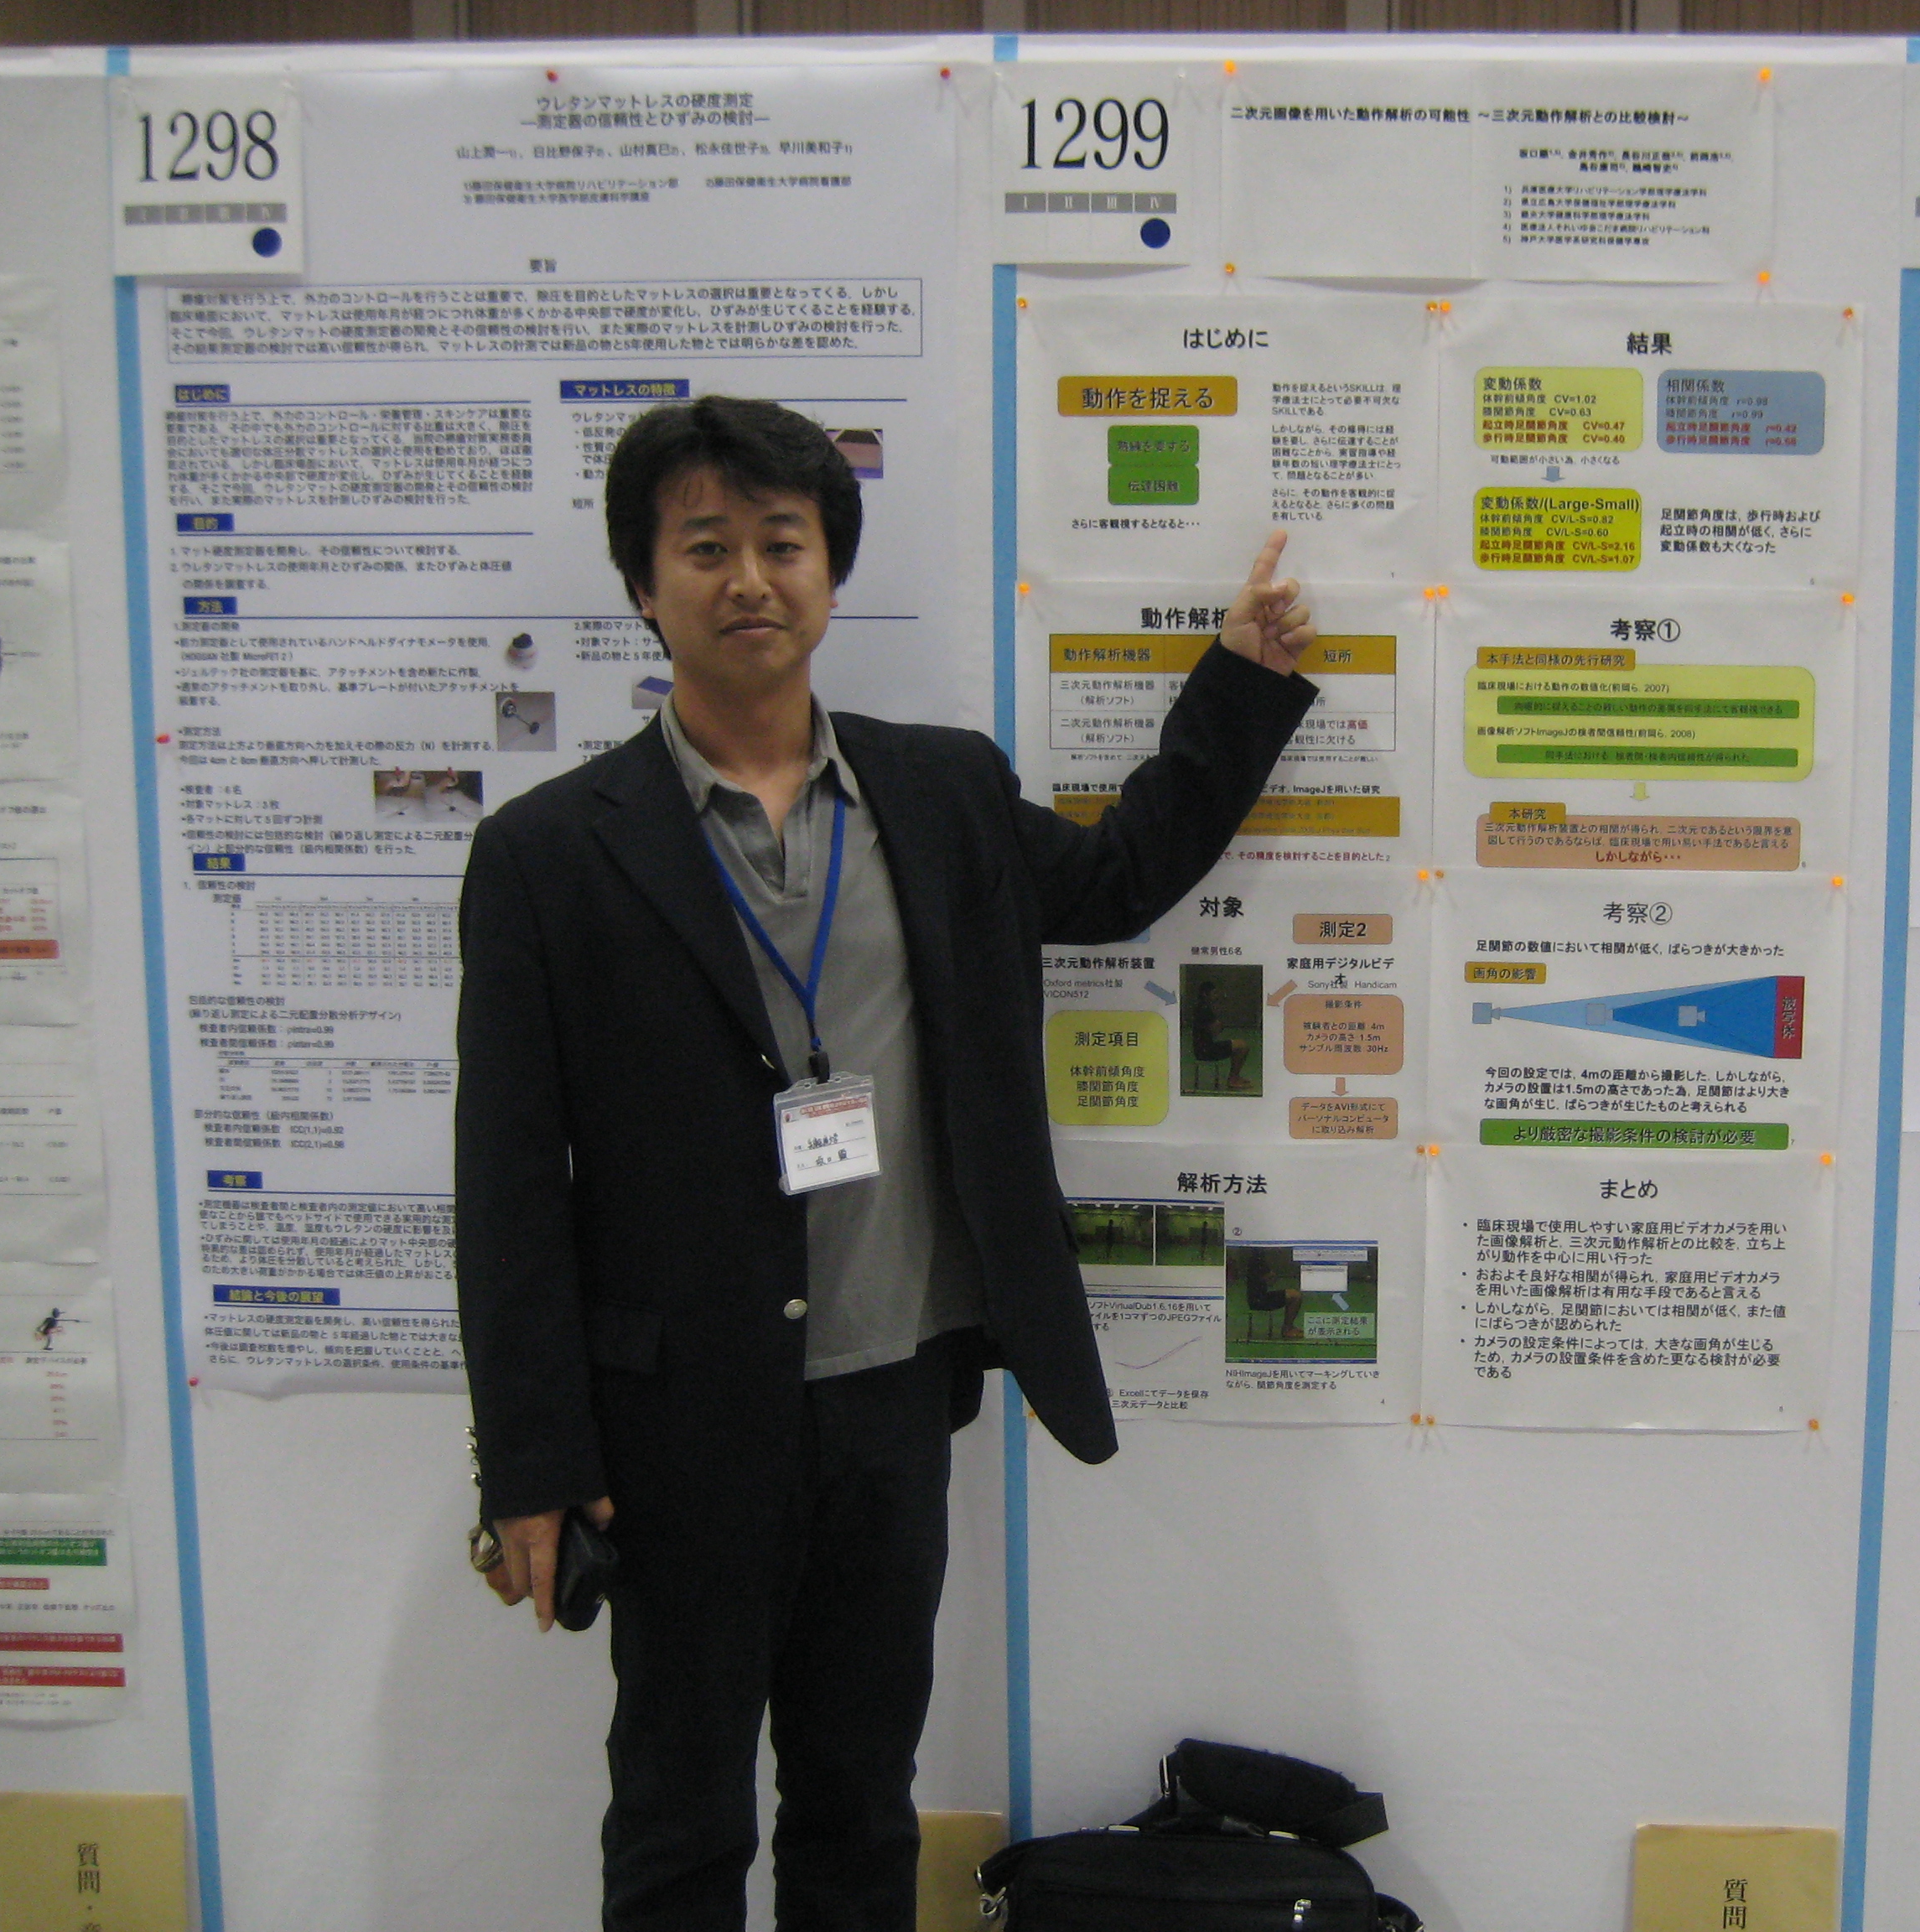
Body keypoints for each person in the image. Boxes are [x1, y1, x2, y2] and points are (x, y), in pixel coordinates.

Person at [453, 394, 1317, 1932]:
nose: (749, 579)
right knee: (676, 1817)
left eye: (782, 543)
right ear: (643, 585)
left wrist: (1241, 683)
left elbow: (1116, 880)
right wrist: (529, 1463)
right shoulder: (549, 853)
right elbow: (509, 1181)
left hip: (891, 1402)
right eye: (704, 547)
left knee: (860, 1807)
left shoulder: (938, 794)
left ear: (830, 573)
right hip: (676, 1422)